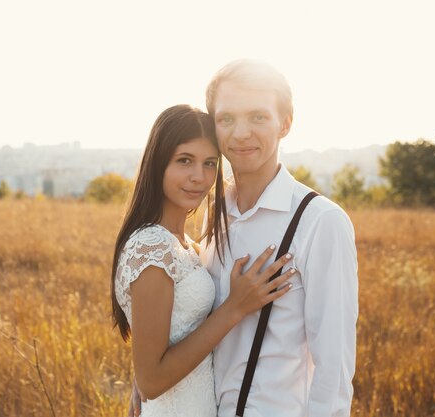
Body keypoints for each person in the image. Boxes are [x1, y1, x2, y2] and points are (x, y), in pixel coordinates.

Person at [130, 60, 358, 417]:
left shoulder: (321, 221)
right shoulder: (213, 209)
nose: (240, 134)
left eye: (258, 117)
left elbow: (334, 370)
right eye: (226, 119)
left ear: (286, 123)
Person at [111, 104, 296, 417]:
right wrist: (234, 308)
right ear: (158, 164)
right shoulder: (150, 246)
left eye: (210, 163)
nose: (199, 177)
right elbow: (152, 380)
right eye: (185, 161)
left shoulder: (188, 247)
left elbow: (158, 342)